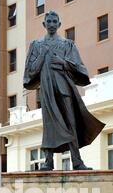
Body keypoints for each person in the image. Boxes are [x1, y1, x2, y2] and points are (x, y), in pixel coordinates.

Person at [24, 10, 105, 171]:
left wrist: (63, 63)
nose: (52, 24)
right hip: (47, 91)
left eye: (55, 22)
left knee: (71, 123)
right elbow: (29, 72)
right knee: (49, 125)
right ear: (44, 24)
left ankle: (77, 161)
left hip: (65, 89)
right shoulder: (36, 46)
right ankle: (48, 161)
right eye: (49, 21)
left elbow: (80, 69)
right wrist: (41, 57)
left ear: (59, 24)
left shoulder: (67, 45)